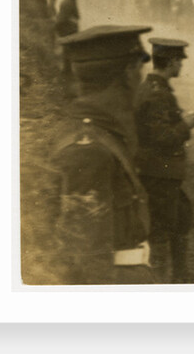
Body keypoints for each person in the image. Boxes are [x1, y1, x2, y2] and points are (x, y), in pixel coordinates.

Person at [49, 25, 154, 284]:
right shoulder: (89, 150)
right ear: (129, 74)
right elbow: (86, 261)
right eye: (139, 69)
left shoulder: (96, 132)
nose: (141, 78)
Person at [134, 38, 194, 283]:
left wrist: (180, 120)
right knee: (162, 229)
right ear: (172, 61)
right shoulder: (157, 94)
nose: (182, 66)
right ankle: (163, 281)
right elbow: (161, 138)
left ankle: (179, 275)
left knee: (182, 216)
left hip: (161, 172)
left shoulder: (155, 89)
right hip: (159, 173)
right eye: (180, 61)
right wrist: (185, 125)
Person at [55, 0, 83, 97]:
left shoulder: (71, 1)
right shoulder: (67, 3)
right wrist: (64, 36)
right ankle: (65, 90)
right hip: (68, 36)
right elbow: (60, 22)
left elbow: (76, 17)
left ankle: (67, 87)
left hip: (71, 35)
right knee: (67, 61)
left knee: (69, 60)